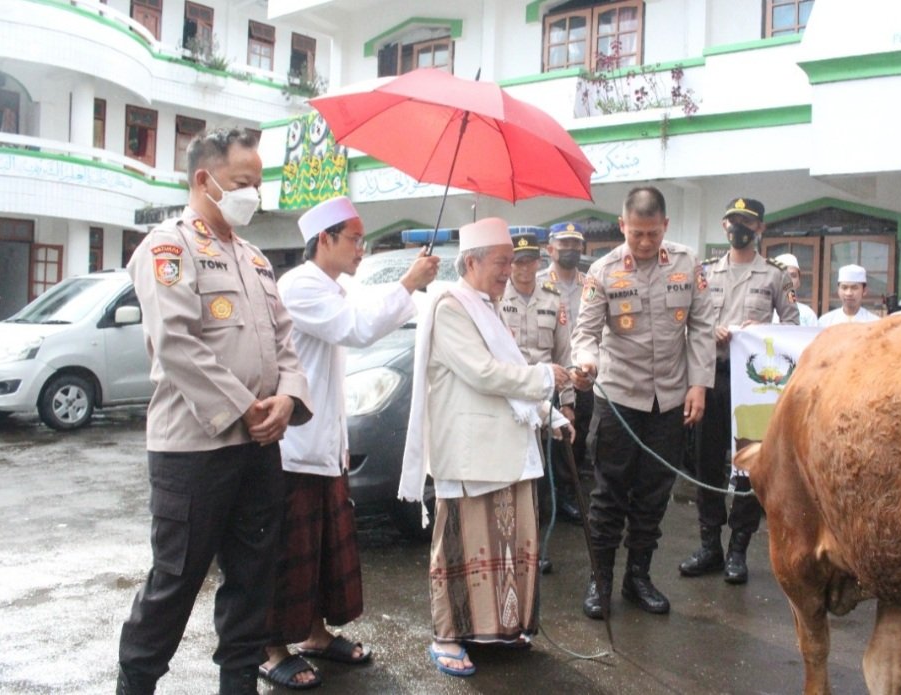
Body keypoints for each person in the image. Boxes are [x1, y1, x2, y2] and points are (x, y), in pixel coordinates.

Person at [118, 127, 313, 695]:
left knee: (252, 581)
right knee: (173, 584)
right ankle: (135, 684)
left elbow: (284, 343)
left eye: (257, 183)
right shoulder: (168, 247)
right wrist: (247, 408)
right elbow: (177, 343)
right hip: (194, 452)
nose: (253, 194)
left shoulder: (254, 259)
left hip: (257, 450)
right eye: (241, 183)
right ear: (204, 180)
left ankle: (238, 685)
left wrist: (289, 399)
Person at [260, 197, 439, 690]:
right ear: (325, 240)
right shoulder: (299, 287)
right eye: (355, 239)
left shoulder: (333, 286)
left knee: (320, 551)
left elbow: (367, 312)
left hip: (324, 442)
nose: (362, 249)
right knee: (289, 551)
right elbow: (357, 329)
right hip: (295, 446)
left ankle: (314, 634)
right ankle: (271, 646)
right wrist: (408, 282)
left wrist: (411, 288)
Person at [398, 217, 572, 678]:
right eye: (501, 262)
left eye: (512, 262)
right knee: (462, 547)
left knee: (507, 545)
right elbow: (482, 372)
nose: (508, 271)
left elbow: (507, 368)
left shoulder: (487, 305)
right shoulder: (450, 307)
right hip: (471, 452)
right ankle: (447, 636)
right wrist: (544, 378)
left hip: (506, 449)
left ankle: (496, 629)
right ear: (471, 261)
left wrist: (550, 415)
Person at [571, 186, 715, 618]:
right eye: (637, 234)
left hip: (669, 401)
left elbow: (703, 326)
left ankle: (639, 578)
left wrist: (699, 384)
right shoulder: (603, 271)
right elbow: (585, 333)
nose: (646, 242)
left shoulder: (688, 265)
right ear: (622, 226)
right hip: (618, 399)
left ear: (665, 226)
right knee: (609, 497)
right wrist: (585, 361)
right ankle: (600, 583)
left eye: (653, 233)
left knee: (653, 496)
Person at [679, 197, 799, 585]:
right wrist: (708, 330)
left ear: (760, 228)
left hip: (754, 383)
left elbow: (792, 328)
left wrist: (761, 332)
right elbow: (689, 321)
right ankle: (710, 544)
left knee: (750, 463)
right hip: (711, 375)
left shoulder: (775, 275)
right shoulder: (706, 273)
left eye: (747, 222)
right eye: (733, 221)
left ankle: (738, 550)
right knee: (706, 462)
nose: (739, 228)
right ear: (724, 225)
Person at [500, 231, 575, 573]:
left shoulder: (552, 297)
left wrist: (568, 402)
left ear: (538, 262)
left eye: (530, 261)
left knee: (542, 479)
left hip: (546, 399)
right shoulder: (497, 299)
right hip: (512, 398)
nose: (525, 268)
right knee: (512, 473)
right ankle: (510, 544)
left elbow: (565, 353)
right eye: (518, 261)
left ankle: (537, 547)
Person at [537, 221, 592, 517]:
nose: (570, 249)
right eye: (564, 244)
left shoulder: (591, 285)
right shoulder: (536, 282)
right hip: (550, 370)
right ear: (550, 248)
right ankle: (548, 496)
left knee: (577, 434)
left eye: (575, 244)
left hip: (582, 372)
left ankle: (569, 494)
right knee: (548, 436)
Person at [771, 253, 818, 326]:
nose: (788, 280)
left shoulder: (808, 314)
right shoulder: (764, 312)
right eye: (783, 275)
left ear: (799, 281)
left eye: (793, 275)